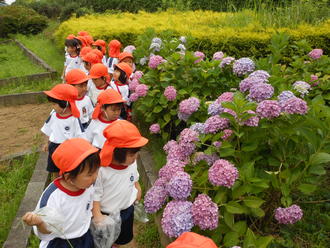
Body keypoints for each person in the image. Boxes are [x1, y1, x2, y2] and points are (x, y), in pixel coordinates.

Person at [22, 138, 100, 248]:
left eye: (97, 170)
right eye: (90, 174)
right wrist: (39, 222)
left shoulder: (87, 186)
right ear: (69, 178)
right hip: (61, 242)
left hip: (83, 236)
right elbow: (46, 231)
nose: (95, 177)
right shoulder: (53, 197)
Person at [92, 120, 148, 247]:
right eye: (133, 154)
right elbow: (95, 193)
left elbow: (134, 177)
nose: (136, 157)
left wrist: (137, 186)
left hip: (126, 210)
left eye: (137, 152)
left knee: (122, 238)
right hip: (106, 214)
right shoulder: (101, 170)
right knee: (105, 241)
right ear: (118, 152)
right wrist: (97, 214)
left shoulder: (131, 163)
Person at [41, 84, 85, 180]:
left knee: (69, 169)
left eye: (54, 104)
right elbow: (48, 129)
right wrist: (46, 143)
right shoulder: (53, 116)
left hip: (68, 148)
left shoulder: (74, 119)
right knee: (54, 169)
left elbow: (80, 136)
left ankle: (68, 181)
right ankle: (55, 183)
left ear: (65, 103)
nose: (53, 107)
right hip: (54, 147)